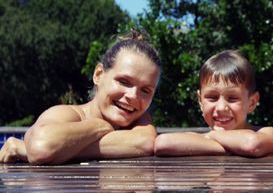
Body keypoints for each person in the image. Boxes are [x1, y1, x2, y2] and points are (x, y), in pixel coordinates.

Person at [0, 29, 162, 164]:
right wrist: (100, 126)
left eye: (145, 90)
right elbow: (41, 147)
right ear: (98, 74)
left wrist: (63, 150)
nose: (133, 96)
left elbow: (145, 143)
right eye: (124, 81)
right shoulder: (66, 114)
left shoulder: (139, 120)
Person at [154, 50, 273, 157]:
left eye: (232, 98)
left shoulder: (266, 132)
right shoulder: (207, 136)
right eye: (212, 97)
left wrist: (210, 137)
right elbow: (163, 143)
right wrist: (225, 145)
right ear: (200, 101)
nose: (221, 108)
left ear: (252, 103)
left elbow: (252, 144)